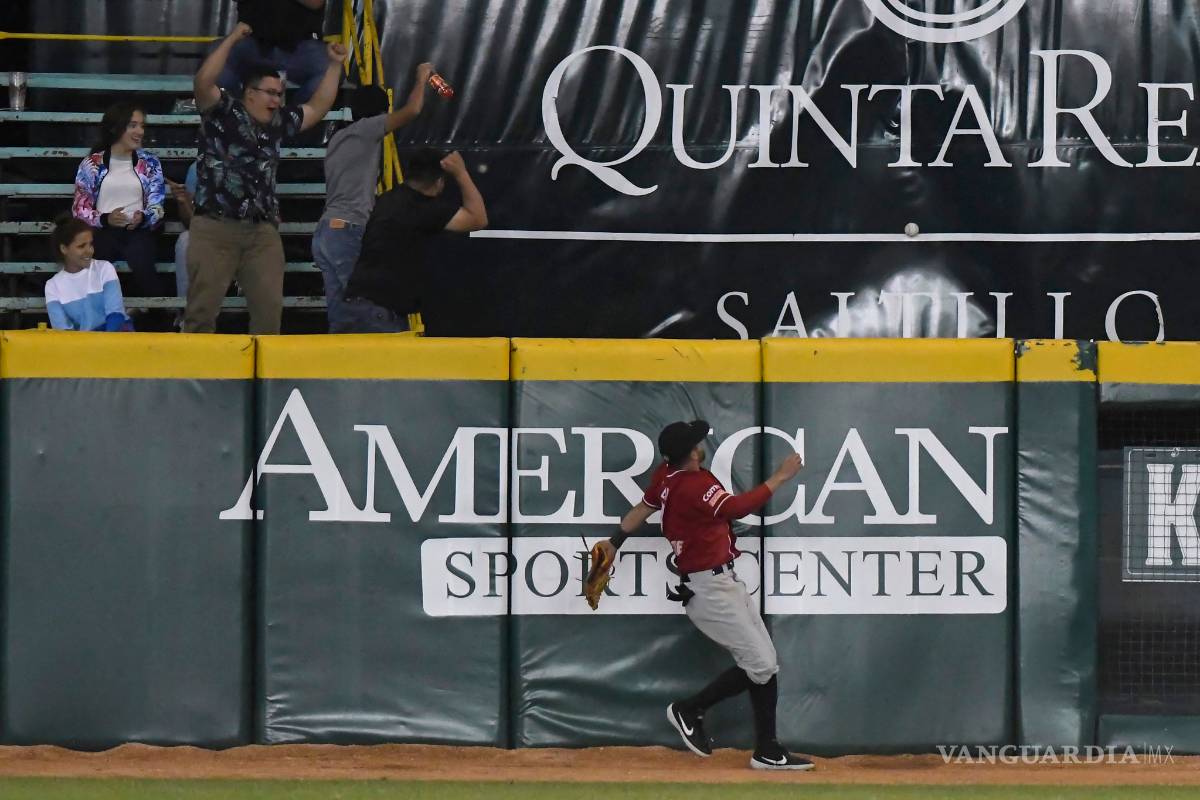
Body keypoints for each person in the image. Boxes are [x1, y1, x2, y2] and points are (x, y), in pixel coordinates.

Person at [594, 420, 814, 771]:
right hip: (711, 589)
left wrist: (613, 541)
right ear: (693, 452)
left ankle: (767, 750)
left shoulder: (666, 475)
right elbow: (738, 509)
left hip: (720, 582)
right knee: (760, 664)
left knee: (765, 664)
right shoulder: (693, 485)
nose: (702, 444)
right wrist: (781, 476)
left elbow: (643, 508)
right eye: (698, 441)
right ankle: (690, 708)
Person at [184, 22, 348, 335]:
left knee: (270, 313)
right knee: (201, 315)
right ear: (249, 93)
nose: (276, 100)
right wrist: (232, 39)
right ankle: (196, 380)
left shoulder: (279, 122)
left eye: (280, 94)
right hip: (215, 228)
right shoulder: (222, 111)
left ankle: (262, 381)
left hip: (261, 232)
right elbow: (203, 81)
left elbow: (318, 106)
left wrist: (335, 66)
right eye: (271, 93)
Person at [314, 63, 435, 332]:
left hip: (327, 232)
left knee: (342, 317)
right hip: (348, 229)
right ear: (381, 113)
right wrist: (421, 78)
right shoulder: (367, 129)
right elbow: (412, 110)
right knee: (367, 307)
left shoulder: (338, 139)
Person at [336, 149, 488, 333]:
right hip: (380, 314)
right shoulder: (423, 209)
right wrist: (461, 173)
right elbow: (478, 218)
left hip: (356, 305)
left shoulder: (388, 200)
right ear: (439, 182)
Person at [71, 101, 167, 297]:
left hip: (138, 231)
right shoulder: (93, 163)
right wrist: (105, 218)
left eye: (142, 125)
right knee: (95, 261)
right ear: (116, 128)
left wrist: (144, 217)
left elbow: (157, 205)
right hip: (102, 231)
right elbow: (79, 209)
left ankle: (157, 316)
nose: (140, 131)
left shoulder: (150, 162)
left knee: (143, 263)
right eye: (133, 125)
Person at [219, 0, 328, 104]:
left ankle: (293, 118)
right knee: (215, 60)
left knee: (329, 71)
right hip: (252, 40)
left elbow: (316, 2)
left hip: (301, 46)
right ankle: (237, 115)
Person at [44, 215, 132, 332]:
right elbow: (63, 332)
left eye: (90, 244)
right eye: (81, 246)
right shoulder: (52, 286)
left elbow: (116, 315)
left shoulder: (104, 268)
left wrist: (103, 345)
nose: (89, 251)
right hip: (83, 346)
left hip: (116, 339)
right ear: (64, 249)